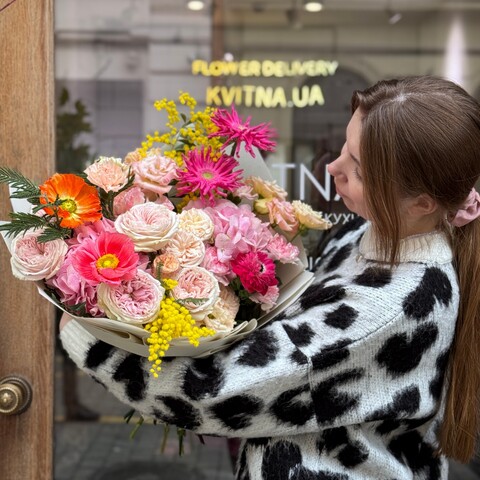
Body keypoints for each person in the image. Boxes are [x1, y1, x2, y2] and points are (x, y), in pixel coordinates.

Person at [59, 76, 480, 479]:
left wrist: (87, 334)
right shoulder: (370, 232)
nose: (332, 167)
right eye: (344, 149)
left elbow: (212, 393)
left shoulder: (388, 308)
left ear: (422, 203)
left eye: (358, 170)